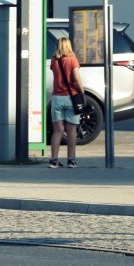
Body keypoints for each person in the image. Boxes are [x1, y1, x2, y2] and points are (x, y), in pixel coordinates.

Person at [49, 37, 84, 168]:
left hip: (57, 98)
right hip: (71, 98)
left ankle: (53, 160)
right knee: (71, 131)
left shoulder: (54, 60)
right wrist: (82, 91)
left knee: (57, 131)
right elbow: (76, 78)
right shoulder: (73, 60)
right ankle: (71, 160)